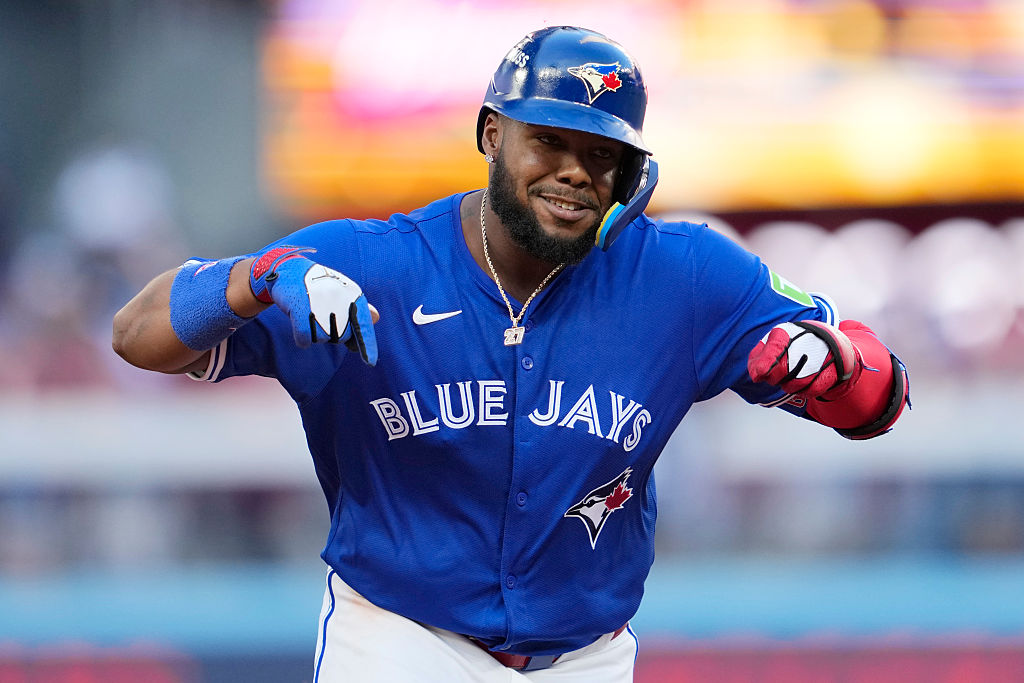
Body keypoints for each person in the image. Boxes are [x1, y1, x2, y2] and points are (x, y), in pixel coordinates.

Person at [112, 26, 909, 683]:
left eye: (602, 155)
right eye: (548, 141)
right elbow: (136, 334)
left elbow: (882, 398)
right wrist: (256, 278)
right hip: (398, 639)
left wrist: (832, 362)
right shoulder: (371, 263)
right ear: (493, 134)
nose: (574, 171)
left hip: (585, 655)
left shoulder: (686, 274)